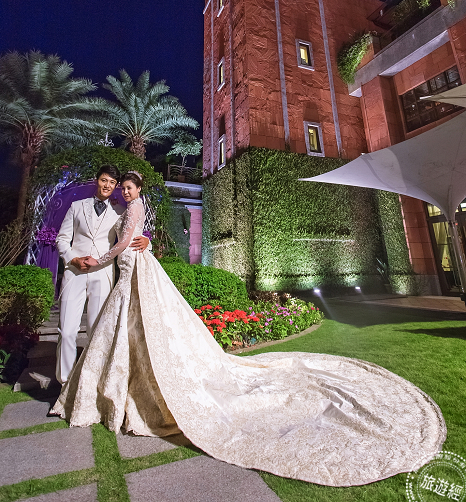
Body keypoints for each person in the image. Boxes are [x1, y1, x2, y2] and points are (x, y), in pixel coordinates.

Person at [51, 171, 446, 487]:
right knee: (111, 331)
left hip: (118, 270)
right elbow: (125, 235)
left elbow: (129, 238)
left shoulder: (131, 208)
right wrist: (133, 244)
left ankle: (107, 387)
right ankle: (92, 383)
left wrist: (127, 248)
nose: (121, 190)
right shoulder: (113, 209)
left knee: (128, 329)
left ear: (137, 189)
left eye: (126, 186)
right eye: (118, 185)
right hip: (110, 273)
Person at [55, 164, 149, 384]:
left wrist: (147, 241)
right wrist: (73, 259)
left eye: (112, 182)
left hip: (102, 274)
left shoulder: (120, 211)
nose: (107, 185)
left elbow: (133, 232)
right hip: (75, 272)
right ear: (97, 180)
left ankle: (89, 383)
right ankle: (65, 383)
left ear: (115, 186)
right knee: (67, 331)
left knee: (96, 331)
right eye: (104, 180)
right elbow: (62, 239)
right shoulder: (76, 207)